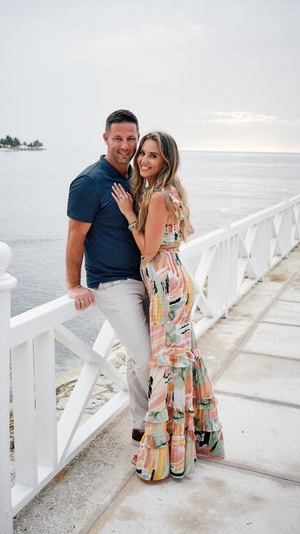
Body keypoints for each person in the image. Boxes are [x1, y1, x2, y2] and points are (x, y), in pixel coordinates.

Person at [111, 131, 225, 481]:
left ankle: (167, 453)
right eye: (142, 154)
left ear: (166, 161)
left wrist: (129, 214)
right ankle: (183, 446)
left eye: (153, 156)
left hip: (165, 285)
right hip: (174, 277)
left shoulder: (159, 195)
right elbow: (184, 232)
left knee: (166, 364)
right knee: (177, 360)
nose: (143, 160)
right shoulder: (172, 189)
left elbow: (148, 250)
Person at [66, 109, 151, 446]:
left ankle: (142, 424)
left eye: (131, 138)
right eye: (118, 138)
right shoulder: (89, 182)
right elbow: (75, 235)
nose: (125, 145)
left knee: (138, 355)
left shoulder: (136, 176)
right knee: (146, 358)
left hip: (145, 279)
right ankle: (158, 420)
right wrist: (74, 284)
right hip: (112, 284)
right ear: (105, 138)